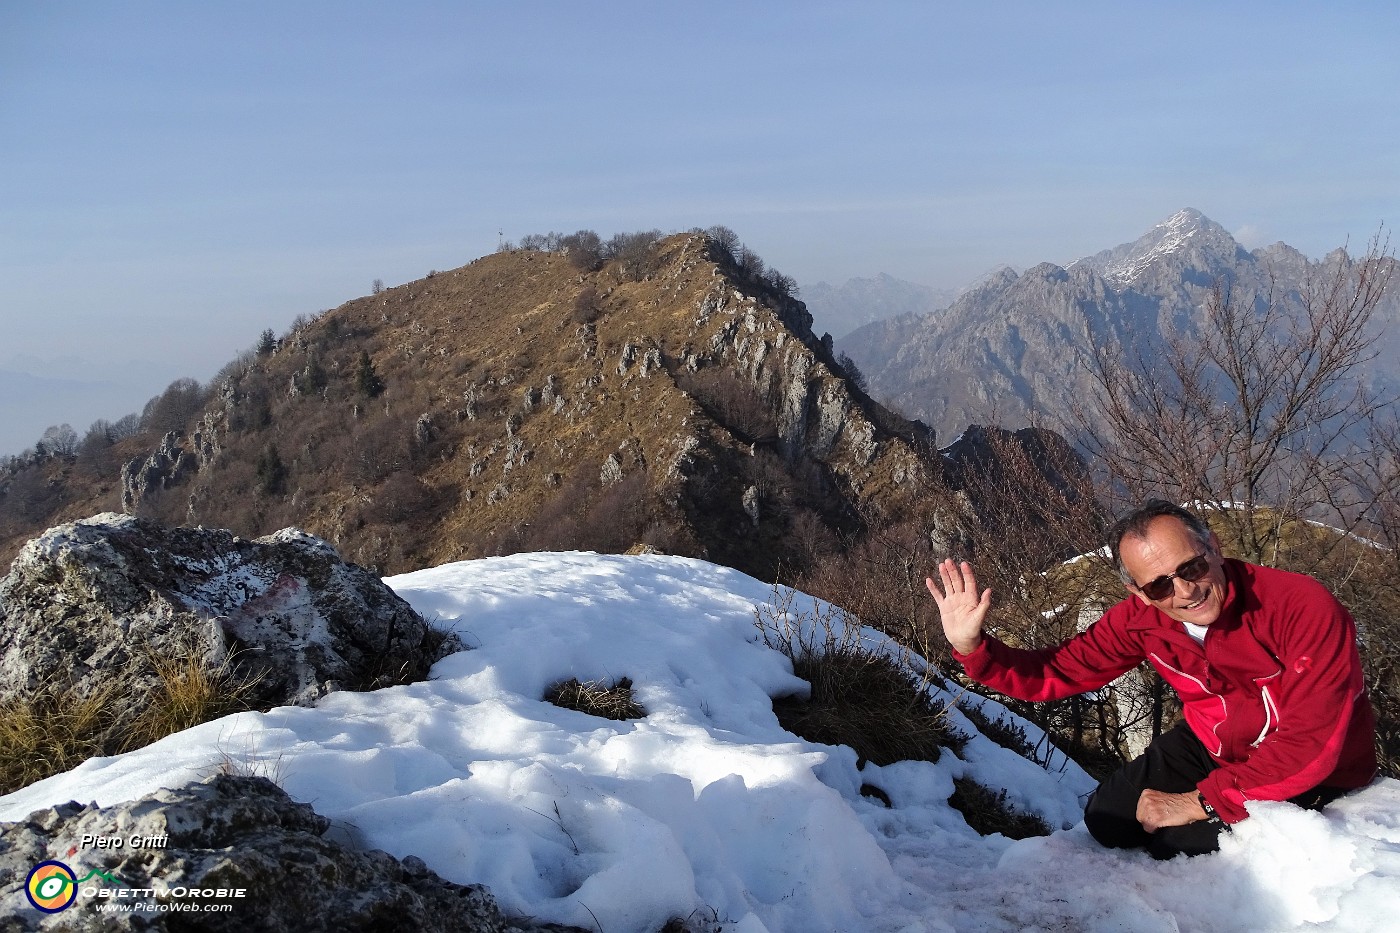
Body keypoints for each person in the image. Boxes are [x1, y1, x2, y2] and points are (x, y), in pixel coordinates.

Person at [926, 499, 1377, 859]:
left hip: (1308, 770)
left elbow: (1311, 743)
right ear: (1137, 593)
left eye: (1192, 568)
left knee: (1176, 844)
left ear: (1215, 549)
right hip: (1214, 744)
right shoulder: (1140, 620)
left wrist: (1199, 802)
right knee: (1108, 820)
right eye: (1159, 585)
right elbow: (1057, 672)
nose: (1184, 591)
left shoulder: (1300, 607)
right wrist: (973, 648)